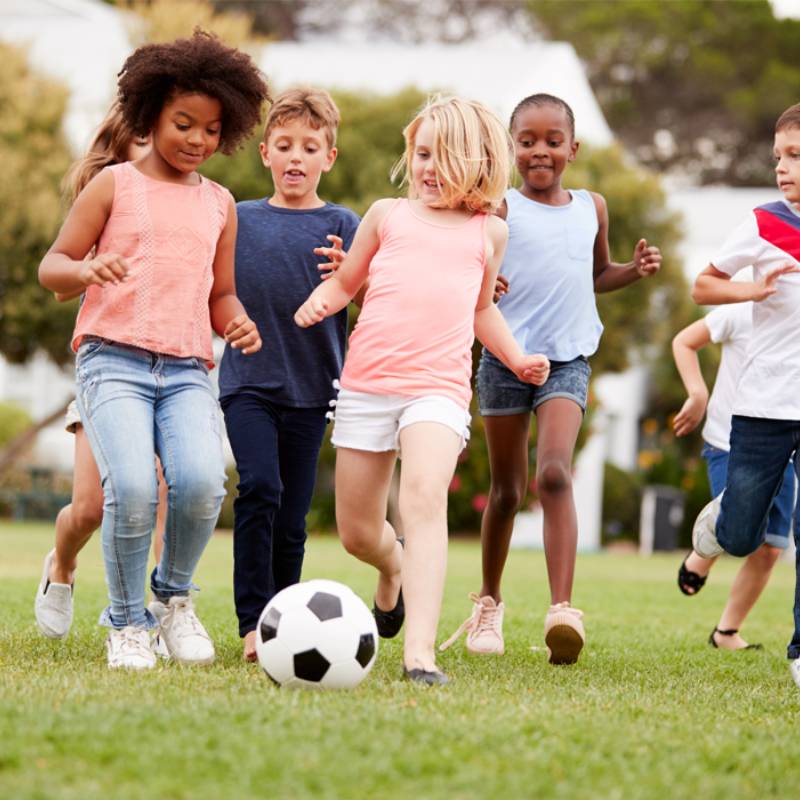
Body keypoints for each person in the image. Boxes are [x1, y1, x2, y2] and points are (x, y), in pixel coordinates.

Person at [295, 95, 551, 685]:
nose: (429, 168)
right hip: (367, 386)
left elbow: (481, 309)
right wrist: (320, 302)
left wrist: (516, 357)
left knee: (424, 499)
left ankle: (420, 655)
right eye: (423, 154)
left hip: (437, 390)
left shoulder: (489, 233)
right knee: (359, 532)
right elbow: (347, 283)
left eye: (445, 158)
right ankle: (393, 569)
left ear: (478, 164)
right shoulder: (386, 215)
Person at [38, 31, 269, 670]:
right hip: (112, 359)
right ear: (150, 116)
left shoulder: (220, 204)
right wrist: (84, 270)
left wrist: (238, 322)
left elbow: (220, 294)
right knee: (133, 489)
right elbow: (52, 266)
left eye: (212, 129)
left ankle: (171, 600)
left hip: (188, 366)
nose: (197, 140)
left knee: (201, 484)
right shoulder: (113, 185)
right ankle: (126, 623)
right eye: (183, 124)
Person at [440, 93, 661, 665]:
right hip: (505, 359)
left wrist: (632, 271)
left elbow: (596, 275)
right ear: (511, 148)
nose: (540, 151)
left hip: (568, 360)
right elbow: (471, 274)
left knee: (556, 474)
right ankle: (489, 602)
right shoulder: (500, 209)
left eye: (553, 141)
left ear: (573, 148)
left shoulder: (592, 207)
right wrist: (487, 285)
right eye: (528, 141)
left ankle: (563, 611)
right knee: (507, 491)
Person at [219, 87, 360, 662]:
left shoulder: (344, 224)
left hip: (312, 389)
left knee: (293, 518)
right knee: (259, 488)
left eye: (309, 147)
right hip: (248, 383)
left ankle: (283, 621)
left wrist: (355, 274)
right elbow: (211, 286)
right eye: (284, 145)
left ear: (330, 156)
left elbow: (378, 294)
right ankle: (253, 622)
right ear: (265, 154)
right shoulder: (239, 218)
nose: (296, 157)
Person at [34, 104, 169, 640]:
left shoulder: (189, 201)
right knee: (90, 508)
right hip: (108, 371)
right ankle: (62, 564)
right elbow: (61, 284)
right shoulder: (107, 201)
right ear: (122, 147)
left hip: (170, 374)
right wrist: (91, 268)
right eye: (144, 138)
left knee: (164, 494)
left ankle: (157, 609)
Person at [691, 102, 800, 688]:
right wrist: (750, 291)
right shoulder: (764, 223)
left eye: (795, 157)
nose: (782, 167)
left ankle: (799, 650)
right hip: (762, 405)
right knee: (740, 538)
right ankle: (720, 521)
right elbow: (702, 285)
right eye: (779, 156)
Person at [672, 303, 794, 649]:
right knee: (740, 527)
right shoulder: (742, 311)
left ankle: (726, 632)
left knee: (771, 547)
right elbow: (684, 341)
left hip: (786, 444)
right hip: (729, 442)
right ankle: (706, 548)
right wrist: (697, 393)